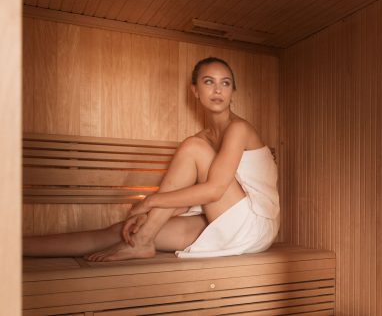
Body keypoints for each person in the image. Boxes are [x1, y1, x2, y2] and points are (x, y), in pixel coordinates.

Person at [23, 57, 280, 261]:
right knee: (124, 233)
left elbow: (213, 191)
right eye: (208, 81)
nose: (217, 89)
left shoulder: (238, 129)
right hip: (223, 220)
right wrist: (151, 217)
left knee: (192, 147)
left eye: (225, 83)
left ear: (233, 90)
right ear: (195, 90)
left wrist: (150, 201)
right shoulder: (204, 138)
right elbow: (194, 198)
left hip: (252, 226)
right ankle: (17, 247)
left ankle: (144, 241)